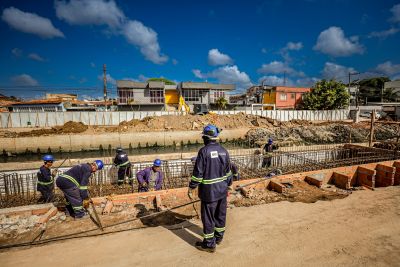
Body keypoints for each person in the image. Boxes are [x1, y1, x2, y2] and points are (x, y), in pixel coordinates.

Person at [188, 124, 232, 253]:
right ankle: (218, 238)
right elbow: (228, 172)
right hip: (222, 191)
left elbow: (198, 173)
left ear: (206, 138)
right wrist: (229, 184)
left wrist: (192, 187)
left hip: (209, 193)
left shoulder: (203, 151)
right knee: (220, 215)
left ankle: (209, 244)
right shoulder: (224, 151)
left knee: (208, 218)